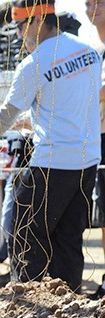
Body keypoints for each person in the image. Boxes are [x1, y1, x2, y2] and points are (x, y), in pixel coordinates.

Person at [0, 0, 102, 294]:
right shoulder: (89, 53)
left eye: (21, 27)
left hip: (52, 162)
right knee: (68, 239)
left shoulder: (35, 62)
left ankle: (30, 305)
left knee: (26, 236)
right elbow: (71, 106)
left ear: (37, 22)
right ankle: (69, 301)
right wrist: (32, 121)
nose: (20, 36)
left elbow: (4, 115)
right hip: (86, 160)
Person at [86, 0, 105, 300]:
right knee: (103, 216)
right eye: (87, 2)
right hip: (98, 139)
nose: (91, 7)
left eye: (98, 1)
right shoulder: (97, 53)